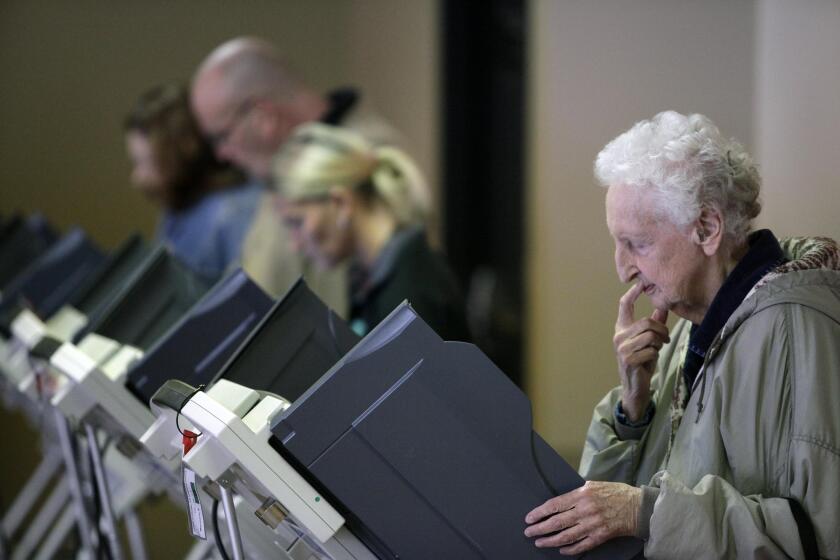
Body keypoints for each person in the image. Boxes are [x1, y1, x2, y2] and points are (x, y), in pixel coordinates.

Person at [524, 111, 840, 558]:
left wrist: (646, 513)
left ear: (707, 229)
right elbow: (603, 517)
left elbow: (820, 540)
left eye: (637, 243)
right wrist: (632, 410)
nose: (622, 267)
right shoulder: (688, 325)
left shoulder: (794, 329)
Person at [191, 37, 402, 310]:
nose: (221, 154)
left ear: (263, 117)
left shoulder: (368, 163)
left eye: (221, 136)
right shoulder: (280, 172)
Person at [273, 123, 470, 341]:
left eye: (297, 222)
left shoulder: (410, 293)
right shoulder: (379, 275)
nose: (295, 244)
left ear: (341, 203)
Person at [125, 83, 261, 282]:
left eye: (146, 164)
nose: (137, 177)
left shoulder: (232, 214)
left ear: (181, 157)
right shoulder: (177, 207)